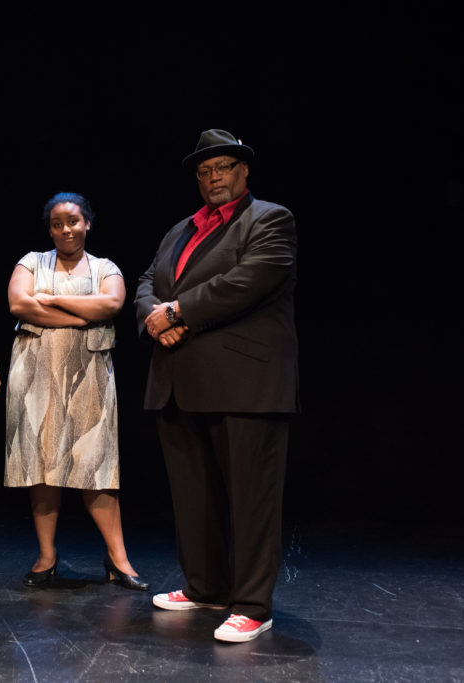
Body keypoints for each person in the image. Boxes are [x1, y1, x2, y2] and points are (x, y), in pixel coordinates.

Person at [134, 129, 298, 643]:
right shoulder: (180, 229)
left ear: (244, 171)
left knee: (251, 499)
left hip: (245, 382)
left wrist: (178, 311)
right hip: (179, 380)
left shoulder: (270, 219)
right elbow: (147, 280)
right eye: (204, 172)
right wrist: (153, 317)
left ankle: (252, 604)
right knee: (193, 495)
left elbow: (250, 279)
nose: (213, 178)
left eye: (222, 168)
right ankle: (205, 586)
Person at [4, 192, 147, 592]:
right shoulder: (31, 262)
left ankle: (119, 559)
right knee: (41, 466)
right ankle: (47, 557)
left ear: (88, 223)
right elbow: (18, 303)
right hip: (34, 376)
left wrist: (50, 300)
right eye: (56, 223)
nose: (65, 229)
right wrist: (80, 314)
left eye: (73, 221)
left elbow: (112, 303)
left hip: (89, 376)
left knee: (95, 466)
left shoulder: (105, 267)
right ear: (49, 228)